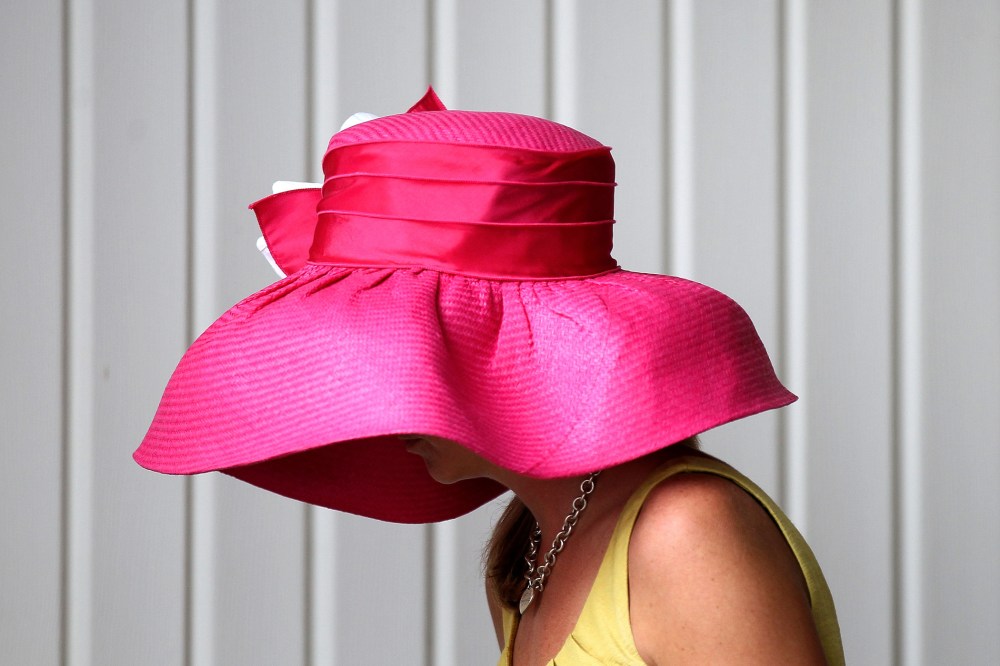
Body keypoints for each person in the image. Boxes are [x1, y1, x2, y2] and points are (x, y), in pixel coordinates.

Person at [136, 88, 843, 664]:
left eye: (412, 354)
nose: (386, 402)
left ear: (508, 357)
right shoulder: (525, 549)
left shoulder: (684, 532)